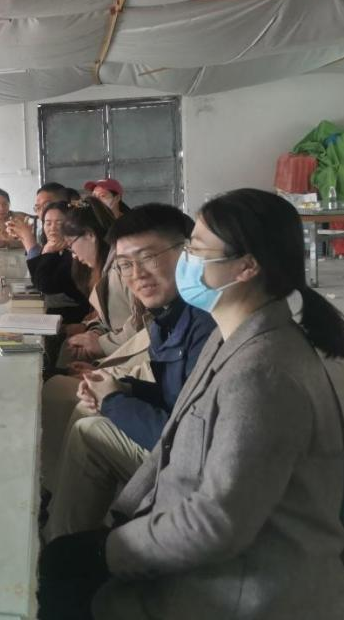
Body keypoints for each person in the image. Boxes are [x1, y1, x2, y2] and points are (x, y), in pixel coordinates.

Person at [40, 189, 344, 620]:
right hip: (215, 538)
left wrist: (110, 550)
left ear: (246, 266)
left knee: (61, 576)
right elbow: (181, 426)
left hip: (246, 586)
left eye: (193, 250)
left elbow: (216, 523)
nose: (183, 262)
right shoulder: (234, 335)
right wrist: (121, 525)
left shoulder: (262, 371)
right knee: (62, 559)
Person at [42, 204, 217, 542]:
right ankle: (64, 523)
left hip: (195, 479)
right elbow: (177, 397)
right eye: (124, 264)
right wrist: (124, 389)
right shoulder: (172, 315)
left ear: (189, 253)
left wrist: (114, 401)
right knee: (86, 412)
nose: (137, 274)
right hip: (182, 447)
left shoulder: (209, 325)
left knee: (89, 429)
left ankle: (61, 543)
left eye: (149, 257)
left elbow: (188, 439)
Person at [57, 198, 140, 367]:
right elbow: (107, 320)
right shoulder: (106, 268)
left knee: (58, 377)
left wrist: (100, 345)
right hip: (117, 349)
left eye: (71, 246)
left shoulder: (123, 268)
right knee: (70, 348)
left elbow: (140, 327)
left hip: (130, 357)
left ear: (90, 235)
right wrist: (93, 333)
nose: (74, 255)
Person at [12, 200, 91, 323]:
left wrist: (47, 252)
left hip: (75, 316)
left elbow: (44, 285)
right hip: (58, 310)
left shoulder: (74, 252)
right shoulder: (56, 248)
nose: (52, 228)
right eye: (48, 223)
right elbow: (37, 279)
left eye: (59, 222)